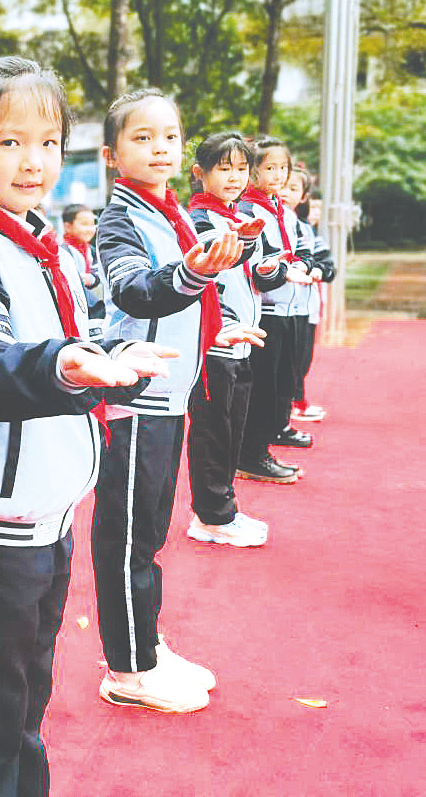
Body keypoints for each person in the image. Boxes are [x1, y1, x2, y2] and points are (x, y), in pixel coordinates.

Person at [0, 57, 173, 797]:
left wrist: (114, 352)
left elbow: (64, 334)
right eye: (10, 142)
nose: (35, 162)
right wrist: (73, 365)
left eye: (49, 142)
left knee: (27, 702)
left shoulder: (38, 240)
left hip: (46, 515)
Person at [92, 89, 261, 714]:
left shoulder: (167, 212)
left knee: (151, 531)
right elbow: (135, 293)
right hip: (135, 399)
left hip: (169, 394)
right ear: (113, 155)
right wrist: (193, 276)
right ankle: (128, 669)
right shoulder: (121, 219)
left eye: (169, 135)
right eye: (142, 137)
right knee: (128, 535)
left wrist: (217, 332)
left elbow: (184, 303)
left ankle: (145, 645)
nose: (159, 147)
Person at [185, 132, 286, 544]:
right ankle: (210, 515)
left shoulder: (241, 216)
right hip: (215, 341)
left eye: (241, 168)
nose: (234, 177)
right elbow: (212, 262)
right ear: (200, 173)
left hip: (242, 338)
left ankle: (223, 509)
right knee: (213, 429)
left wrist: (267, 270)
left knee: (233, 427)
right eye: (223, 168)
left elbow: (267, 274)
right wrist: (246, 243)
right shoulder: (199, 219)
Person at [237, 137, 316, 480]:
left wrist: (306, 265)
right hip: (267, 308)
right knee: (262, 388)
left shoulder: (278, 209)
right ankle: (251, 454)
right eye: (269, 167)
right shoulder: (248, 209)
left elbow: (294, 249)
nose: (278, 175)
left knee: (282, 382)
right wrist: (284, 270)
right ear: (253, 172)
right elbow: (262, 259)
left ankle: (263, 446)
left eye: (282, 167)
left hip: (289, 307)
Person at [283, 167, 334, 423]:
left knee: (301, 360)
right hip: (275, 308)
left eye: (292, 188)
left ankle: (294, 404)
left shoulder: (304, 229)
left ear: (303, 196)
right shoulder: (263, 219)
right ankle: (288, 408)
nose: (284, 192)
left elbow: (328, 266)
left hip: (304, 307)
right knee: (282, 367)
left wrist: (313, 268)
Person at [60, 203, 104, 342]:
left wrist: (92, 279)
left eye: (92, 224)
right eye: (84, 224)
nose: (90, 229)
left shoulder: (93, 250)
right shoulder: (61, 252)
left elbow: (99, 274)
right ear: (68, 226)